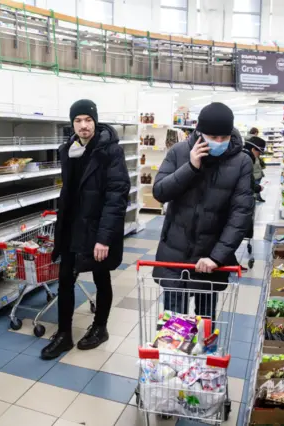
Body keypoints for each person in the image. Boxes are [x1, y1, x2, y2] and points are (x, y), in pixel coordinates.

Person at [41, 99, 131, 360]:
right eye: (78, 120)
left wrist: (104, 238)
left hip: (98, 227)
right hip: (72, 227)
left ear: (95, 121)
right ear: (72, 124)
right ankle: (64, 334)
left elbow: (117, 195)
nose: (83, 125)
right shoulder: (67, 150)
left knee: (101, 277)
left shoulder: (110, 151)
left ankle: (100, 328)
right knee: (65, 280)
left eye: (88, 120)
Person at [151, 102, 254, 320]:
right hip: (174, 256)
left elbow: (241, 214)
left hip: (209, 260)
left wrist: (217, 257)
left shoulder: (242, 161)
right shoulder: (179, 152)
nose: (218, 142)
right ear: (199, 132)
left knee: (205, 324)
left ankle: (202, 352)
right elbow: (160, 192)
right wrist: (190, 167)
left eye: (223, 138)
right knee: (174, 326)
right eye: (212, 137)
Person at [245, 136, 267, 202]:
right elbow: (245, 183)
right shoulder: (246, 161)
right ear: (253, 149)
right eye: (259, 152)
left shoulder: (244, 157)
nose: (259, 154)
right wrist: (257, 188)